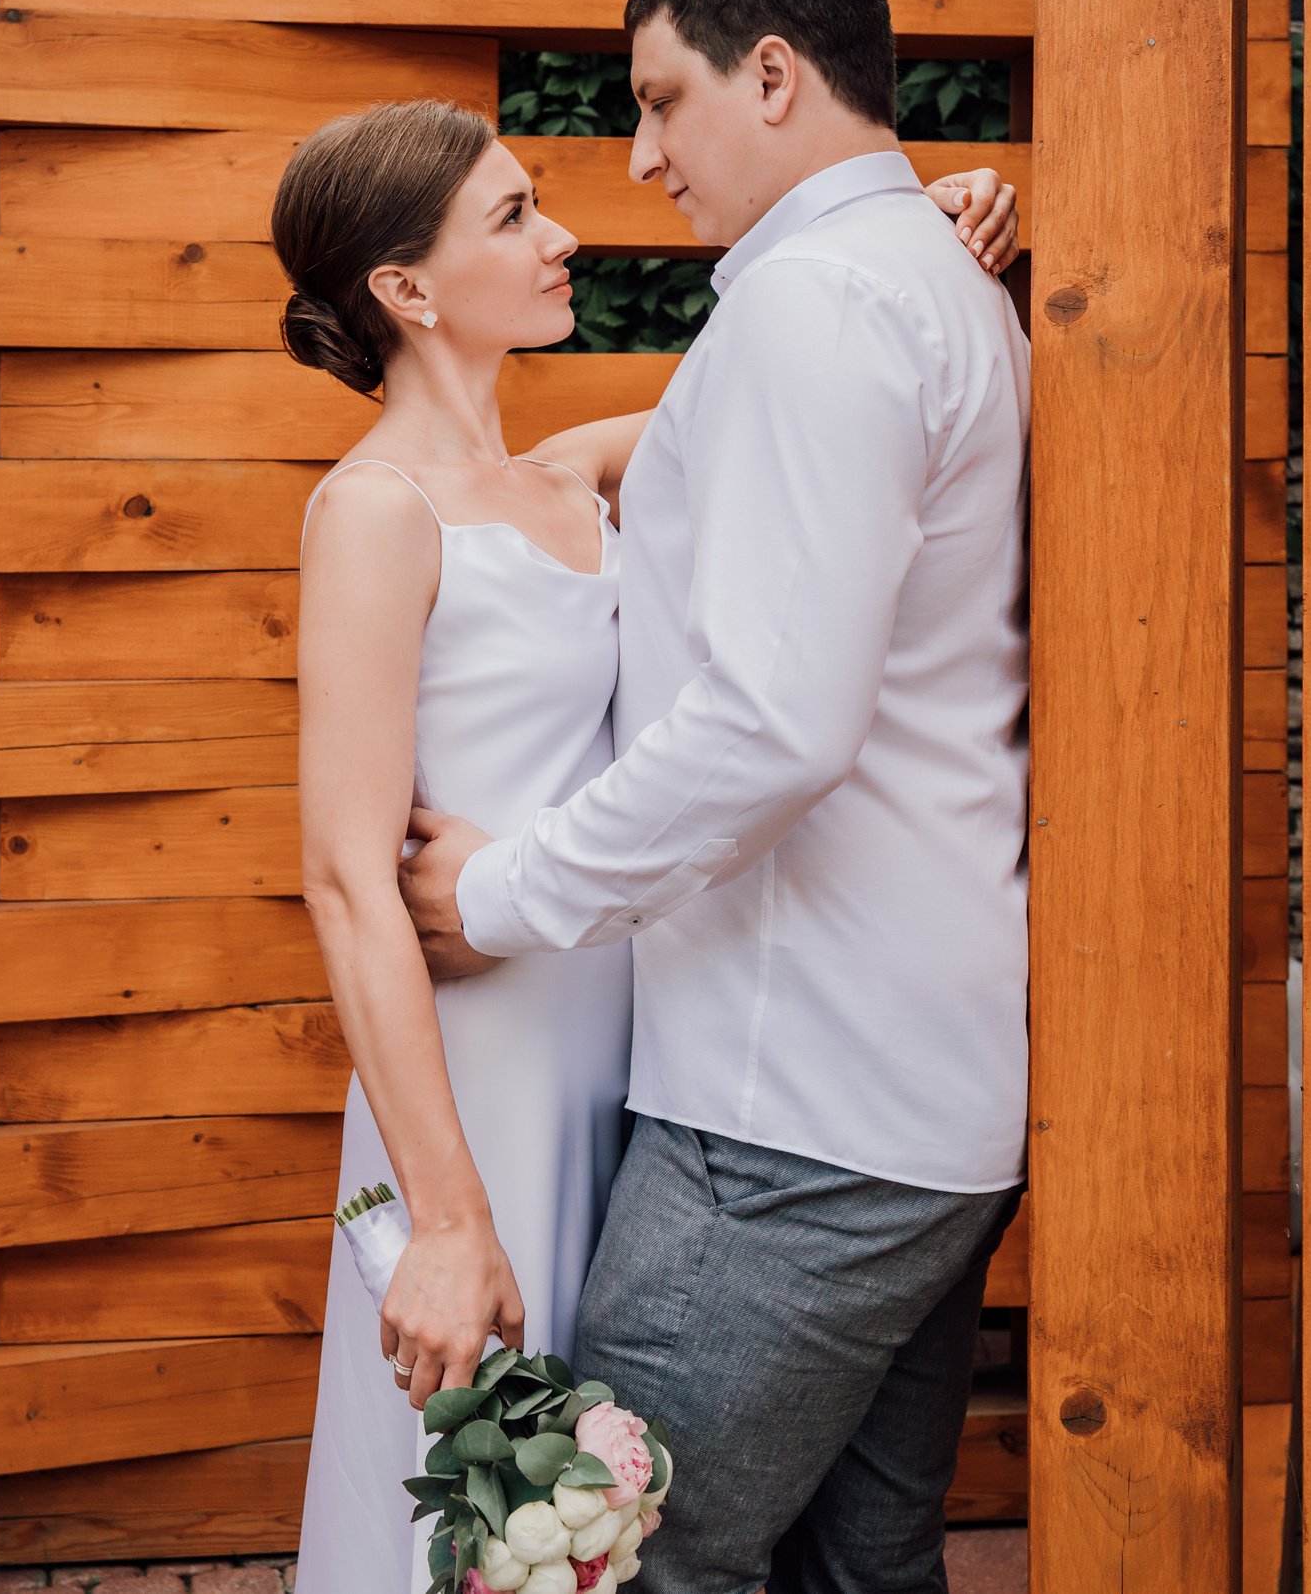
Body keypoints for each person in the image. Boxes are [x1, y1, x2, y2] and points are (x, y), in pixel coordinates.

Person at [280, 87, 1021, 1585]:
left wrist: (920, 231)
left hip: (633, 1066)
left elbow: (809, 369)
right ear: (407, 290)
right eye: (510, 216)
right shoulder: (372, 514)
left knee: (604, 1509)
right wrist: (443, 1214)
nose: (562, 233)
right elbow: (349, 880)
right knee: (500, 1519)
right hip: (478, 1085)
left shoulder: (571, 473)